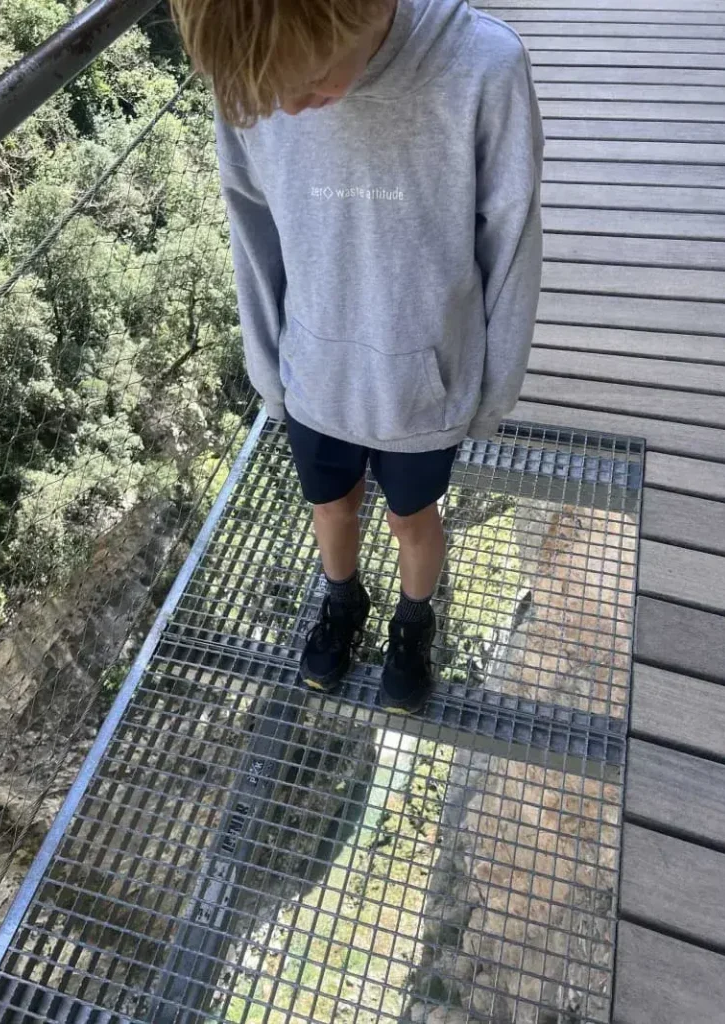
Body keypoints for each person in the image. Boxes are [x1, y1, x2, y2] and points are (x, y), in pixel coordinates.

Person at [171, 0, 544, 714]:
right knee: (331, 508)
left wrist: (495, 388)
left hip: (422, 384)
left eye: (309, 82)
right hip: (314, 369)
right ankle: (343, 599)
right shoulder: (249, 76)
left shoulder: (484, 67)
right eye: (269, 95)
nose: (286, 107)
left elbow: (512, 235)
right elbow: (249, 228)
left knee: (413, 518)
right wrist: (267, 365)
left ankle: (414, 620)